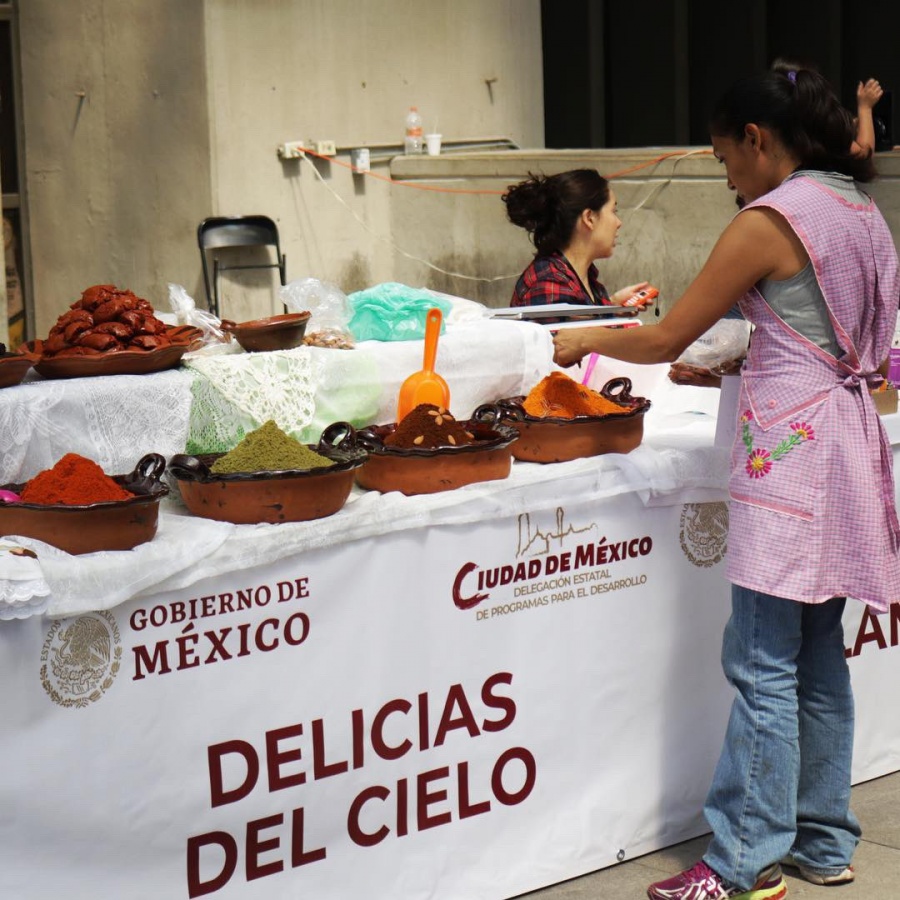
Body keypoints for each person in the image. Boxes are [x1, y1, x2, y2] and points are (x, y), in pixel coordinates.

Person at [554, 63, 900, 900]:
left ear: (757, 139)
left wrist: (578, 343)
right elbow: (847, 344)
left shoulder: (772, 218)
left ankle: (742, 862)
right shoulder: (862, 210)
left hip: (789, 457)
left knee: (760, 661)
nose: (728, 177)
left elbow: (671, 335)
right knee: (819, 658)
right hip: (846, 444)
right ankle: (822, 842)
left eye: (723, 159)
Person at [501, 169, 650, 309]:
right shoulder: (551, 283)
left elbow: (586, 326)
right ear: (589, 218)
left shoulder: (579, 276)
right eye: (613, 211)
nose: (618, 223)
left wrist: (613, 305)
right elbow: (579, 335)